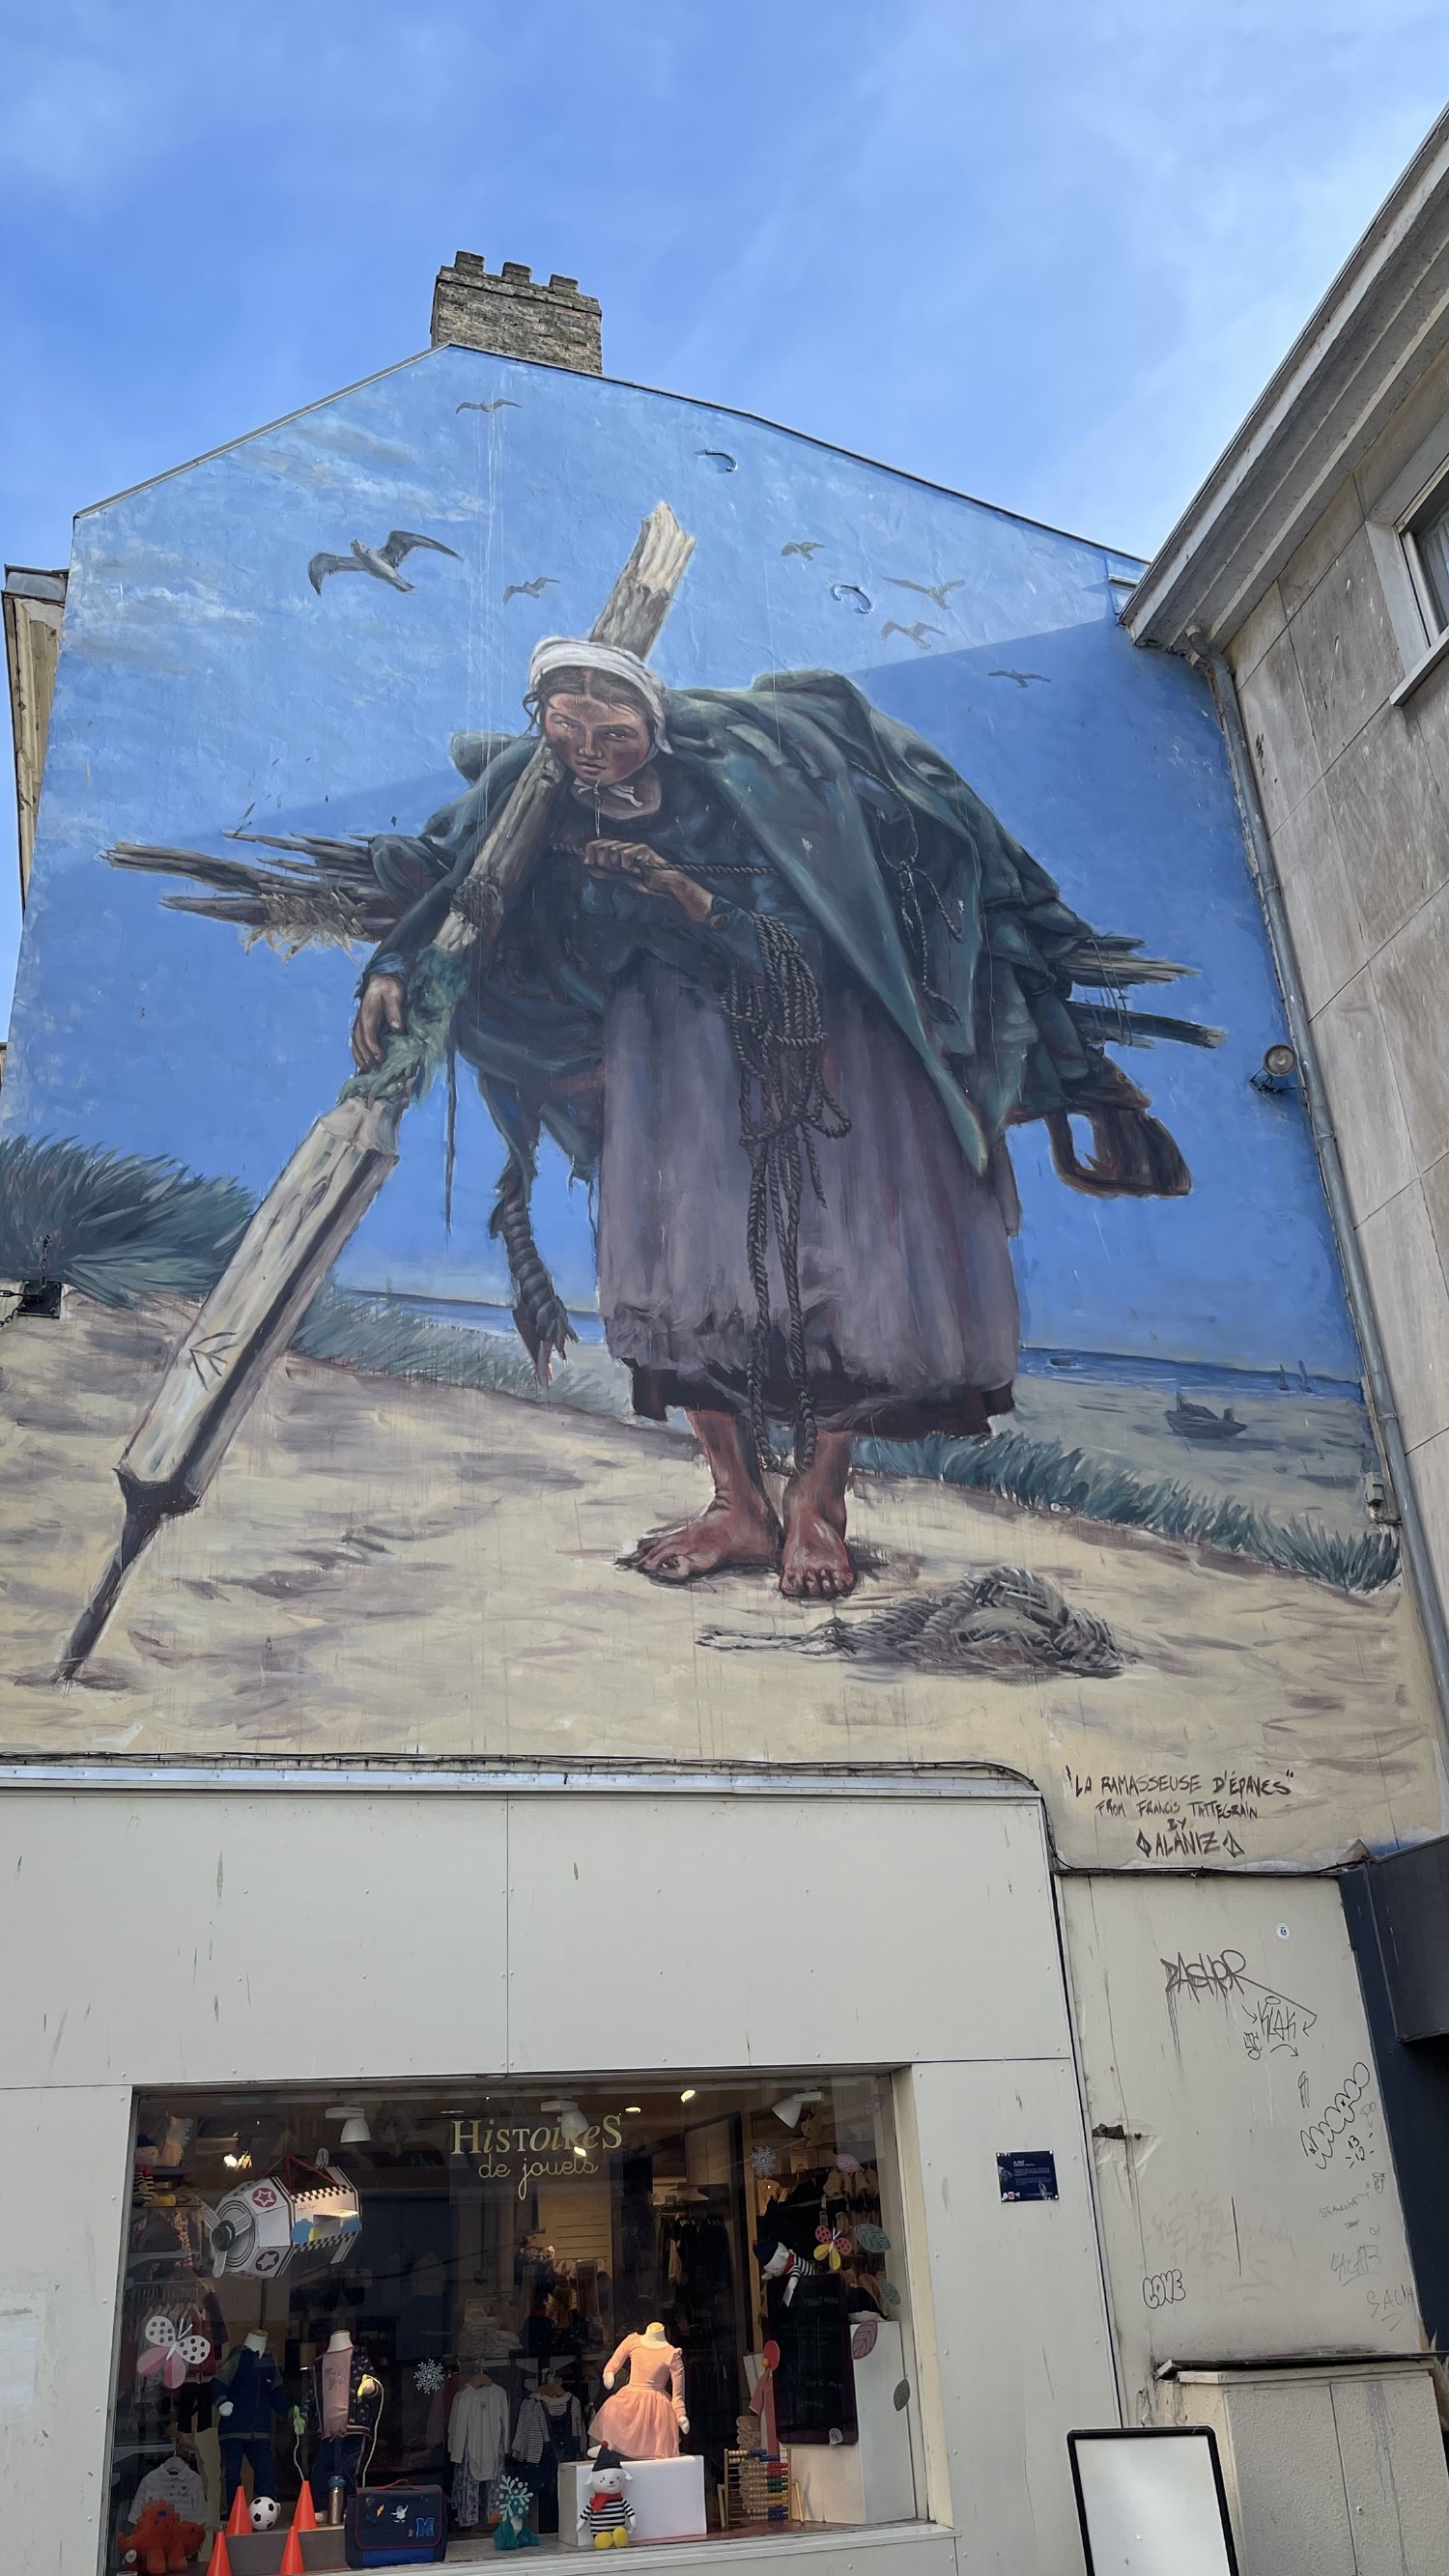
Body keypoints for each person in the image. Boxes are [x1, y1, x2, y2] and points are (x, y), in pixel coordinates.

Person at [351, 641, 1214, 1601]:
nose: (587, 749)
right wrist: (394, 965)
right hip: (668, 1055)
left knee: (846, 1266)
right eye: (566, 727)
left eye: (613, 732)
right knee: (679, 1266)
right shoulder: (535, 795)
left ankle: (818, 1505)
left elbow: (818, 927)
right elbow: (467, 881)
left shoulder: (740, 794)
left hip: (823, 1045)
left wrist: (686, 894)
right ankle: (738, 1504)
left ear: (655, 730)